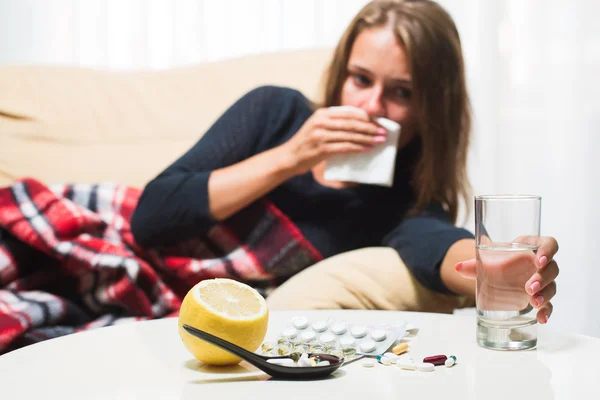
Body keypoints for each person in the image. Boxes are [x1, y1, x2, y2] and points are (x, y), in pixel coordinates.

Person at [131, 0, 559, 322]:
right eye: (361, 80)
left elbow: (437, 246)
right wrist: (290, 157)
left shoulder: (400, 201)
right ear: (341, 75)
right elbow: (150, 217)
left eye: (401, 92)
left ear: (430, 111)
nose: (372, 106)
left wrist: (501, 266)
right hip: (133, 256)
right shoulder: (274, 111)